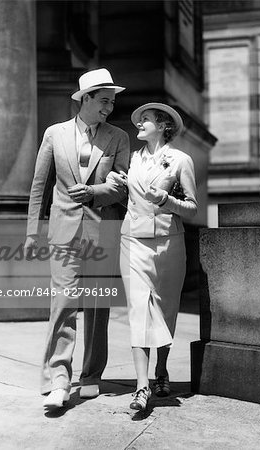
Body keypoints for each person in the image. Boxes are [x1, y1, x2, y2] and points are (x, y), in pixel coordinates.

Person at [24, 68, 130, 411]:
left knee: (98, 307)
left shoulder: (118, 137)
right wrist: (31, 232)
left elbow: (122, 184)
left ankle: (91, 374)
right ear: (84, 99)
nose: (109, 108)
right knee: (64, 303)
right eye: (103, 101)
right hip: (63, 231)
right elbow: (39, 186)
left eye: (112, 102)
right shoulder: (54, 134)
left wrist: (96, 191)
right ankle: (58, 379)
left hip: (102, 228)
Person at [108, 102, 197, 411]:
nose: (139, 124)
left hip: (168, 245)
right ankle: (141, 386)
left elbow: (193, 207)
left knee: (165, 310)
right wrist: (117, 185)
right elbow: (125, 196)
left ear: (162, 125)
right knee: (138, 310)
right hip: (132, 242)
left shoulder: (180, 161)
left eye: (145, 119)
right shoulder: (131, 160)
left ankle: (161, 370)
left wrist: (167, 199)